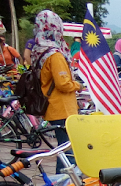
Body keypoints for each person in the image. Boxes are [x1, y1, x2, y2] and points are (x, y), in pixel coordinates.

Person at [32, 10, 81, 173]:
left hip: (51, 106)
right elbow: (63, 84)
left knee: (64, 148)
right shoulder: (55, 55)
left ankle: (65, 184)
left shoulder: (39, 50)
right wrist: (78, 85)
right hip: (62, 108)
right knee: (68, 151)